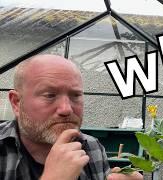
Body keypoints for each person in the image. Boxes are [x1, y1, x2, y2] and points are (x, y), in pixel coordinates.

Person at [0, 54, 143, 180]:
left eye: (75, 95)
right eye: (50, 95)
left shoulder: (92, 147)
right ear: (16, 102)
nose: (66, 109)